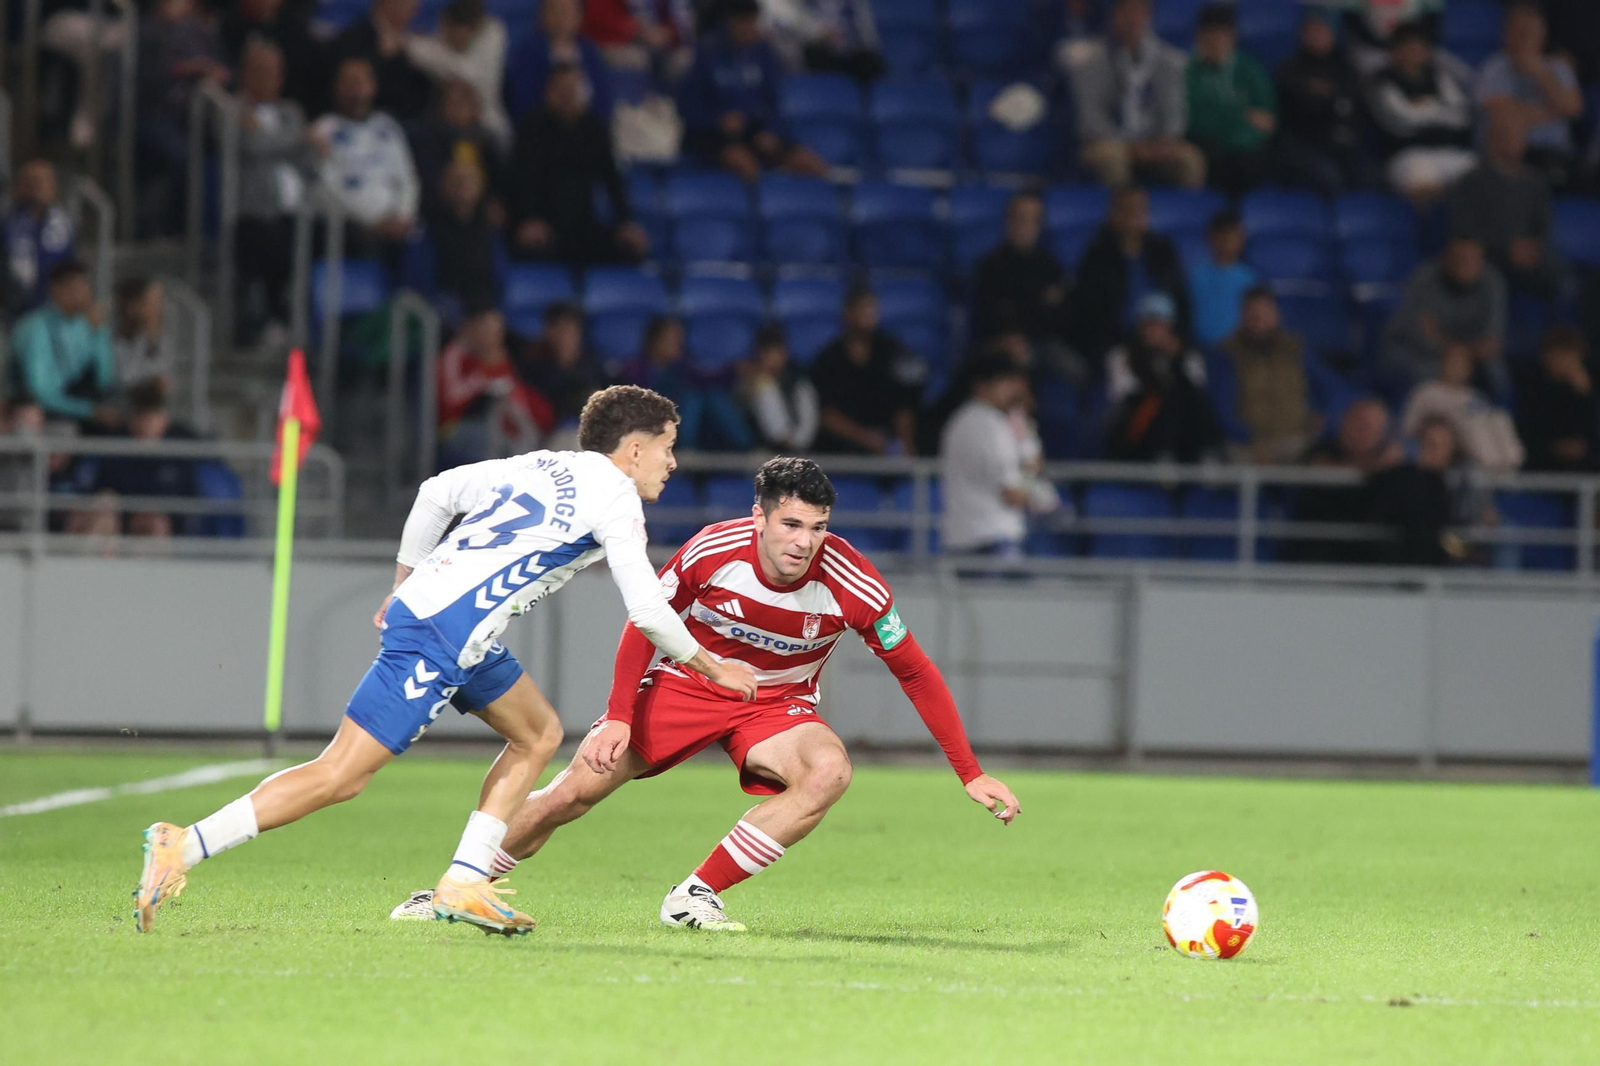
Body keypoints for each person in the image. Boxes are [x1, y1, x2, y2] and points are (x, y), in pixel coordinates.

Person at [133, 385, 761, 935]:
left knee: (537, 733)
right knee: (342, 775)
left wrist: (407, 577)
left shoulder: (544, 463)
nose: (673, 463)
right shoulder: (616, 499)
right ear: (632, 450)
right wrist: (715, 666)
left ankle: (464, 879)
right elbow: (648, 609)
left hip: (456, 625)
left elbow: (436, 492)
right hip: (445, 632)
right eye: (667, 447)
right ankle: (183, 843)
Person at [387, 456, 1021, 932]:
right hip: (689, 680)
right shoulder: (714, 551)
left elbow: (915, 670)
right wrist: (616, 717)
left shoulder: (852, 581)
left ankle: (694, 894)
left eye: (818, 527)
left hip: (777, 705)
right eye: (792, 524)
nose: (804, 541)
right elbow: (644, 623)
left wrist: (970, 772)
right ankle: (457, 884)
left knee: (828, 770)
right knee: (575, 792)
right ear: (760, 518)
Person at [508, 63, 647, 265]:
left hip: (583, 224)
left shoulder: (593, 127)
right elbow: (522, 180)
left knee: (629, 249)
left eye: (573, 90)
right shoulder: (531, 128)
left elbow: (612, 178)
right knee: (532, 247)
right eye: (561, 90)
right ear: (549, 91)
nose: (568, 96)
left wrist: (625, 222)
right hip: (543, 223)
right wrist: (530, 218)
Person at [677, 0, 827, 182]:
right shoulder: (707, 53)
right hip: (715, 139)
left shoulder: (765, 54)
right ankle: (757, 207)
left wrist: (772, 131)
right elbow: (686, 107)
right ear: (731, 22)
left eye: (753, 22)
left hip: (755, 133)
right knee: (744, 163)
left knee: (809, 163)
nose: (750, 28)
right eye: (744, 22)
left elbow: (774, 104)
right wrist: (718, 121)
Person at [1063, 0, 1202, 189]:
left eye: (1139, 12)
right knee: (1111, 158)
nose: (1132, 19)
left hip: (1155, 142)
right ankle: (1122, 213)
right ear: (1114, 16)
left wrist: (1165, 139)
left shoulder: (1168, 61)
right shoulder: (1092, 61)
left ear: (1149, 16)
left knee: (1190, 159)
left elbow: (1175, 110)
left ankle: (1187, 215)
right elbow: (1091, 119)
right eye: (1126, 12)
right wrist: (1128, 145)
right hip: (1109, 141)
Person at [235, 37, 310, 341]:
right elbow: (250, 144)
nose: (269, 80)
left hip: (300, 208)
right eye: (261, 72)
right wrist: (295, 140)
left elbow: (308, 155)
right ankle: (271, 316)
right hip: (255, 210)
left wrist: (278, 141)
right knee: (269, 238)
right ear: (246, 74)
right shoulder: (233, 108)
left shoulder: (291, 111)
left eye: (274, 72)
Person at [1448, 108, 1567, 301]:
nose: (1511, 140)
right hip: (1488, 257)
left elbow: (1544, 226)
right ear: (1491, 139)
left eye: (1517, 134)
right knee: (1478, 272)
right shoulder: (1471, 182)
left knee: (1563, 277)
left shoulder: (1535, 183)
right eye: (1504, 134)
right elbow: (1464, 230)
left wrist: (1535, 247)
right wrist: (1506, 248)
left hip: (1528, 257)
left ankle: (1559, 331)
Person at [310, 57, 422, 259]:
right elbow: (325, 188)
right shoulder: (323, 131)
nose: (357, 91)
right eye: (351, 83)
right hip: (352, 228)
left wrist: (402, 217)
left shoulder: (388, 126)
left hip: (396, 227)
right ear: (338, 87)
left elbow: (409, 180)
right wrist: (370, 222)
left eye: (362, 82)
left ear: (373, 86)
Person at [1068, 185, 1191, 365]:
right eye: (1128, 210)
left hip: (1163, 339)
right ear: (1114, 214)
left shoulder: (1163, 253)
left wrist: (1176, 336)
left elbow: (1181, 300)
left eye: (1140, 209)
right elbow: (1089, 314)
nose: (1134, 216)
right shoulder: (1096, 256)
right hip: (1116, 345)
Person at [68, 382, 198, 540]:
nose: (145, 423)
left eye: (151, 417)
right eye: (140, 416)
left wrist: (156, 511)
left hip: (161, 524)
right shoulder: (117, 449)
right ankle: (97, 562)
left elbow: (188, 501)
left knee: (156, 525)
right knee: (103, 506)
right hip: (121, 519)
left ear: (164, 419)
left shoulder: (178, 453)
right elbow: (102, 489)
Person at [1475, 1, 1583, 189]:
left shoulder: (1558, 68)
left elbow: (1574, 109)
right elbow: (1504, 116)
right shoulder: (1494, 67)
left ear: (1540, 37)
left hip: (1554, 155)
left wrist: (1540, 74)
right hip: (1509, 157)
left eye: (1525, 33)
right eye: (1514, 32)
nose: (1518, 40)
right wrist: (1554, 113)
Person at [1103, 291, 1221, 462]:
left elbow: (1195, 396)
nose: (1153, 331)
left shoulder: (1188, 357)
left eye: (1159, 325)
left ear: (1170, 328)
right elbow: (1124, 396)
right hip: (1138, 431)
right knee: (1164, 398)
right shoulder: (1121, 356)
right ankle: (1163, 456)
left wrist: (1176, 361)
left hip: (1183, 433)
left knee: (1191, 397)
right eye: (1149, 325)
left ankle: (1206, 455)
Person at [940, 357, 1039, 558]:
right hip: (993, 542)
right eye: (1005, 383)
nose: (1012, 392)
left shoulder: (958, 420)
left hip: (961, 540)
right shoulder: (991, 424)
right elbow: (1014, 494)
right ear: (982, 385)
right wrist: (1031, 470)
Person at [1383, 237, 1508, 396]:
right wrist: (1454, 354)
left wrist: (1463, 355)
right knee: (1423, 370)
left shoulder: (1493, 282)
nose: (1467, 266)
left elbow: (1491, 343)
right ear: (1446, 259)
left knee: (1497, 373)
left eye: (1474, 260)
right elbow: (1423, 336)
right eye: (1461, 259)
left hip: (1468, 355)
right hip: (1422, 351)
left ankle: (1493, 417)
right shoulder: (1424, 279)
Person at [1367, 21, 1475, 203]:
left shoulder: (1438, 77)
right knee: (1422, 175)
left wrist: (1425, 107)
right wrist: (1438, 110)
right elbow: (1402, 122)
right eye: (1406, 45)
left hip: (1450, 150)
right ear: (1394, 50)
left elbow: (1462, 117)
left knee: (1481, 174)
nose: (1413, 51)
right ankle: (1431, 230)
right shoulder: (1381, 82)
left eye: (1417, 45)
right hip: (1408, 154)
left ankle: (1472, 231)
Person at [1289, 396, 1404, 564]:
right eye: (1360, 424)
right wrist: (1375, 466)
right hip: (1317, 553)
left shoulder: (1390, 466)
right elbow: (1322, 467)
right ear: (1346, 422)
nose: (1364, 432)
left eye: (1372, 428)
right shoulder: (1323, 451)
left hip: (1367, 555)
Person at [810, 286, 923, 455]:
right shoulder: (828, 359)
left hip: (887, 452)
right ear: (848, 313)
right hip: (840, 455)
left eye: (873, 309)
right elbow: (826, 414)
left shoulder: (891, 352)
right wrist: (866, 438)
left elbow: (903, 407)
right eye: (864, 308)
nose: (870, 315)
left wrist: (907, 450)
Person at [617, 315, 753, 451]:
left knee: (710, 396)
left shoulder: (682, 367)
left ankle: (746, 445)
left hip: (677, 424)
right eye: (672, 340)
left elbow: (708, 379)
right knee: (693, 397)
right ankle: (683, 447)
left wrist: (733, 371)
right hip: (647, 427)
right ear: (655, 341)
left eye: (680, 340)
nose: (679, 345)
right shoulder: (634, 370)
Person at [8, 259, 116, 428]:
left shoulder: (86, 325)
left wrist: (97, 334)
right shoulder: (34, 328)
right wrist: (89, 411)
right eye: (76, 289)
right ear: (55, 290)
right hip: (34, 414)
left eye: (85, 288)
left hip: (76, 410)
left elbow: (104, 380)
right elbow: (40, 392)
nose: (84, 295)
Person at [1274, 8, 1370, 197]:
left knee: (1368, 175)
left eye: (1324, 31)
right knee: (1328, 177)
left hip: (1343, 138)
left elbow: (1354, 100)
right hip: (1305, 142)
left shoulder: (1346, 66)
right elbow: (1298, 105)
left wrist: (1325, 95)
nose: (1319, 37)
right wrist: (1331, 97)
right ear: (1303, 35)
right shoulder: (1291, 67)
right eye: (1313, 32)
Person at [1219, 286, 1320, 465]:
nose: (1257, 319)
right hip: (1246, 445)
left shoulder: (1297, 348)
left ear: (1276, 315)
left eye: (1264, 312)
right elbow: (1222, 409)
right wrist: (1252, 442)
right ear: (1242, 316)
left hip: (1295, 440)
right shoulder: (1226, 353)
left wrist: (1321, 420)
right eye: (1251, 312)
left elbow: (1328, 387)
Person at [437, 308, 551, 463]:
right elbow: (451, 400)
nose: (494, 338)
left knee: (523, 429)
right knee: (494, 432)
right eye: (487, 331)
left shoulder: (497, 355)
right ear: (473, 328)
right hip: (454, 426)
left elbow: (512, 392)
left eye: (497, 332)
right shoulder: (454, 354)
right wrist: (481, 375)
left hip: (493, 422)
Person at [1185, 3, 1275, 195]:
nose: (1216, 40)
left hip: (1248, 148)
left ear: (1233, 36)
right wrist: (1242, 116)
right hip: (1208, 146)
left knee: (1256, 159)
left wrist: (1222, 115)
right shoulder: (1187, 71)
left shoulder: (1250, 70)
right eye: (1210, 34)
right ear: (1199, 36)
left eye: (1222, 34)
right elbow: (1195, 120)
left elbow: (1268, 119)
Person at [1399, 343, 1523, 474]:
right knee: (1471, 424)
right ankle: (1493, 469)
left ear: (1469, 369)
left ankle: (1510, 467)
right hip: (1445, 443)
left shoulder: (1475, 396)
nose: (1457, 368)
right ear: (1443, 364)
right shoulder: (1427, 391)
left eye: (1462, 364)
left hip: (1471, 446)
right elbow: (1408, 429)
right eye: (1453, 363)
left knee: (1500, 417)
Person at [405, 0, 511, 148]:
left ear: (471, 30)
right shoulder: (440, 44)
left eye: (448, 28)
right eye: (442, 27)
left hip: (489, 127)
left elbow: (467, 73)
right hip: (447, 130)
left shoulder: (493, 33)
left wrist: (408, 43)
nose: (443, 33)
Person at [971, 191, 1068, 349]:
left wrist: (1019, 307)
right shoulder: (990, 266)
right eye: (1021, 219)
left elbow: (1060, 317)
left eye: (1034, 220)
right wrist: (1038, 303)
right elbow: (990, 317)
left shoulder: (1050, 265)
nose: (1027, 226)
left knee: (1075, 367)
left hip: (1044, 343)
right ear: (1009, 221)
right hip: (1002, 344)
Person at [407, 78, 506, 222]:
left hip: (480, 214)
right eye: (454, 102)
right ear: (440, 107)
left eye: (466, 102)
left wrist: (494, 201)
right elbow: (428, 183)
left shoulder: (486, 141)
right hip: (439, 214)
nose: (460, 108)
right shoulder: (426, 140)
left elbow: (497, 181)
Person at [505, 0, 615, 123]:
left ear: (579, 16)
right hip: (543, 127)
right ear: (543, 15)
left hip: (586, 128)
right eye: (554, 11)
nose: (560, 18)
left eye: (566, 12)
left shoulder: (590, 52)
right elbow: (521, 101)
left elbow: (604, 101)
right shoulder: (528, 52)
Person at [324, 0, 434, 122]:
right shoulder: (354, 38)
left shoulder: (413, 44)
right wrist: (382, 57)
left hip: (403, 122)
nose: (416, 10)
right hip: (360, 121)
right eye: (409, 4)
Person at [513, 301, 607, 440]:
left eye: (569, 327)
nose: (564, 335)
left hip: (589, 434)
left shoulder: (594, 363)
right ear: (547, 331)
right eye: (557, 327)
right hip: (546, 439)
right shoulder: (533, 366)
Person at [1517, 326, 1599, 473]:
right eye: (1560, 355)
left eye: (1571, 356)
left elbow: (1592, 432)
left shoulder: (1589, 389)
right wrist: (1556, 447)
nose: (1566, 362)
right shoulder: (1532, 388)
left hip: (1586, 464)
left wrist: (1586, 395)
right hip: (1543, 464)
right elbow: (1527, 433)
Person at [427, 159, 502, 320]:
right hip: (444, 312)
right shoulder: (428, 230)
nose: (463, 186)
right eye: (458, 180)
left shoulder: (489, 230)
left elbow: (499, 278)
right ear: (444, 186)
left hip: (484, 310)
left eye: (469, 180)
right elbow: (420, 283)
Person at [4, 159, 76, 316]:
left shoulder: (63, 226)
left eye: (45, 180)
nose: (39, 187)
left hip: (55, 312)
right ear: (19, 187)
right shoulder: (7, 225)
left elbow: (72, 269)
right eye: (32, 181)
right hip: (13, 312)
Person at [220, 0, 321, 110]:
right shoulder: (229, 27)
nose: (263, 81)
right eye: (258, 72)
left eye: (268, 74)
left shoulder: (297, 37)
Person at [738, 323, 818, 451]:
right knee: (765, 385)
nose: (773, 359)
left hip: (799, 446)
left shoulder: (800, 381)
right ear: (760, 354)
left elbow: (808, 418)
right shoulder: (753, 380)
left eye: (778, 353)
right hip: (760, 447)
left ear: (785, 353)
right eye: (768, 353)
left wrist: (797, 441)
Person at [1187, 209, 1258, 349]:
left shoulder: (1251, 279)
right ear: (1212, 238)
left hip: (1240, 352)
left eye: (1235, 236)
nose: (1229, 241)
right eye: (1225, 236)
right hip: (1201, 349)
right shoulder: (1194, 278)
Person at [111, 278, 171, 395]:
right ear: (132, 306)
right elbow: (122, 381)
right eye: (151, 302)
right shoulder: (111, 342)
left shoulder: (161, 339)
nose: (158, 308)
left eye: (160, 301)